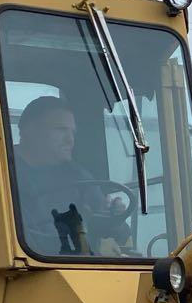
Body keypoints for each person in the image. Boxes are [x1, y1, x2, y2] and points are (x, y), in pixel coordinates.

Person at [12, 96, 135, 255]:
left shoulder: (77, 175)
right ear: (28, 130)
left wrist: (113, 216)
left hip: (78, 269)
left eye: (72, 132)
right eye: (60, 130)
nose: (70, 140)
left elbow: (116, 232)